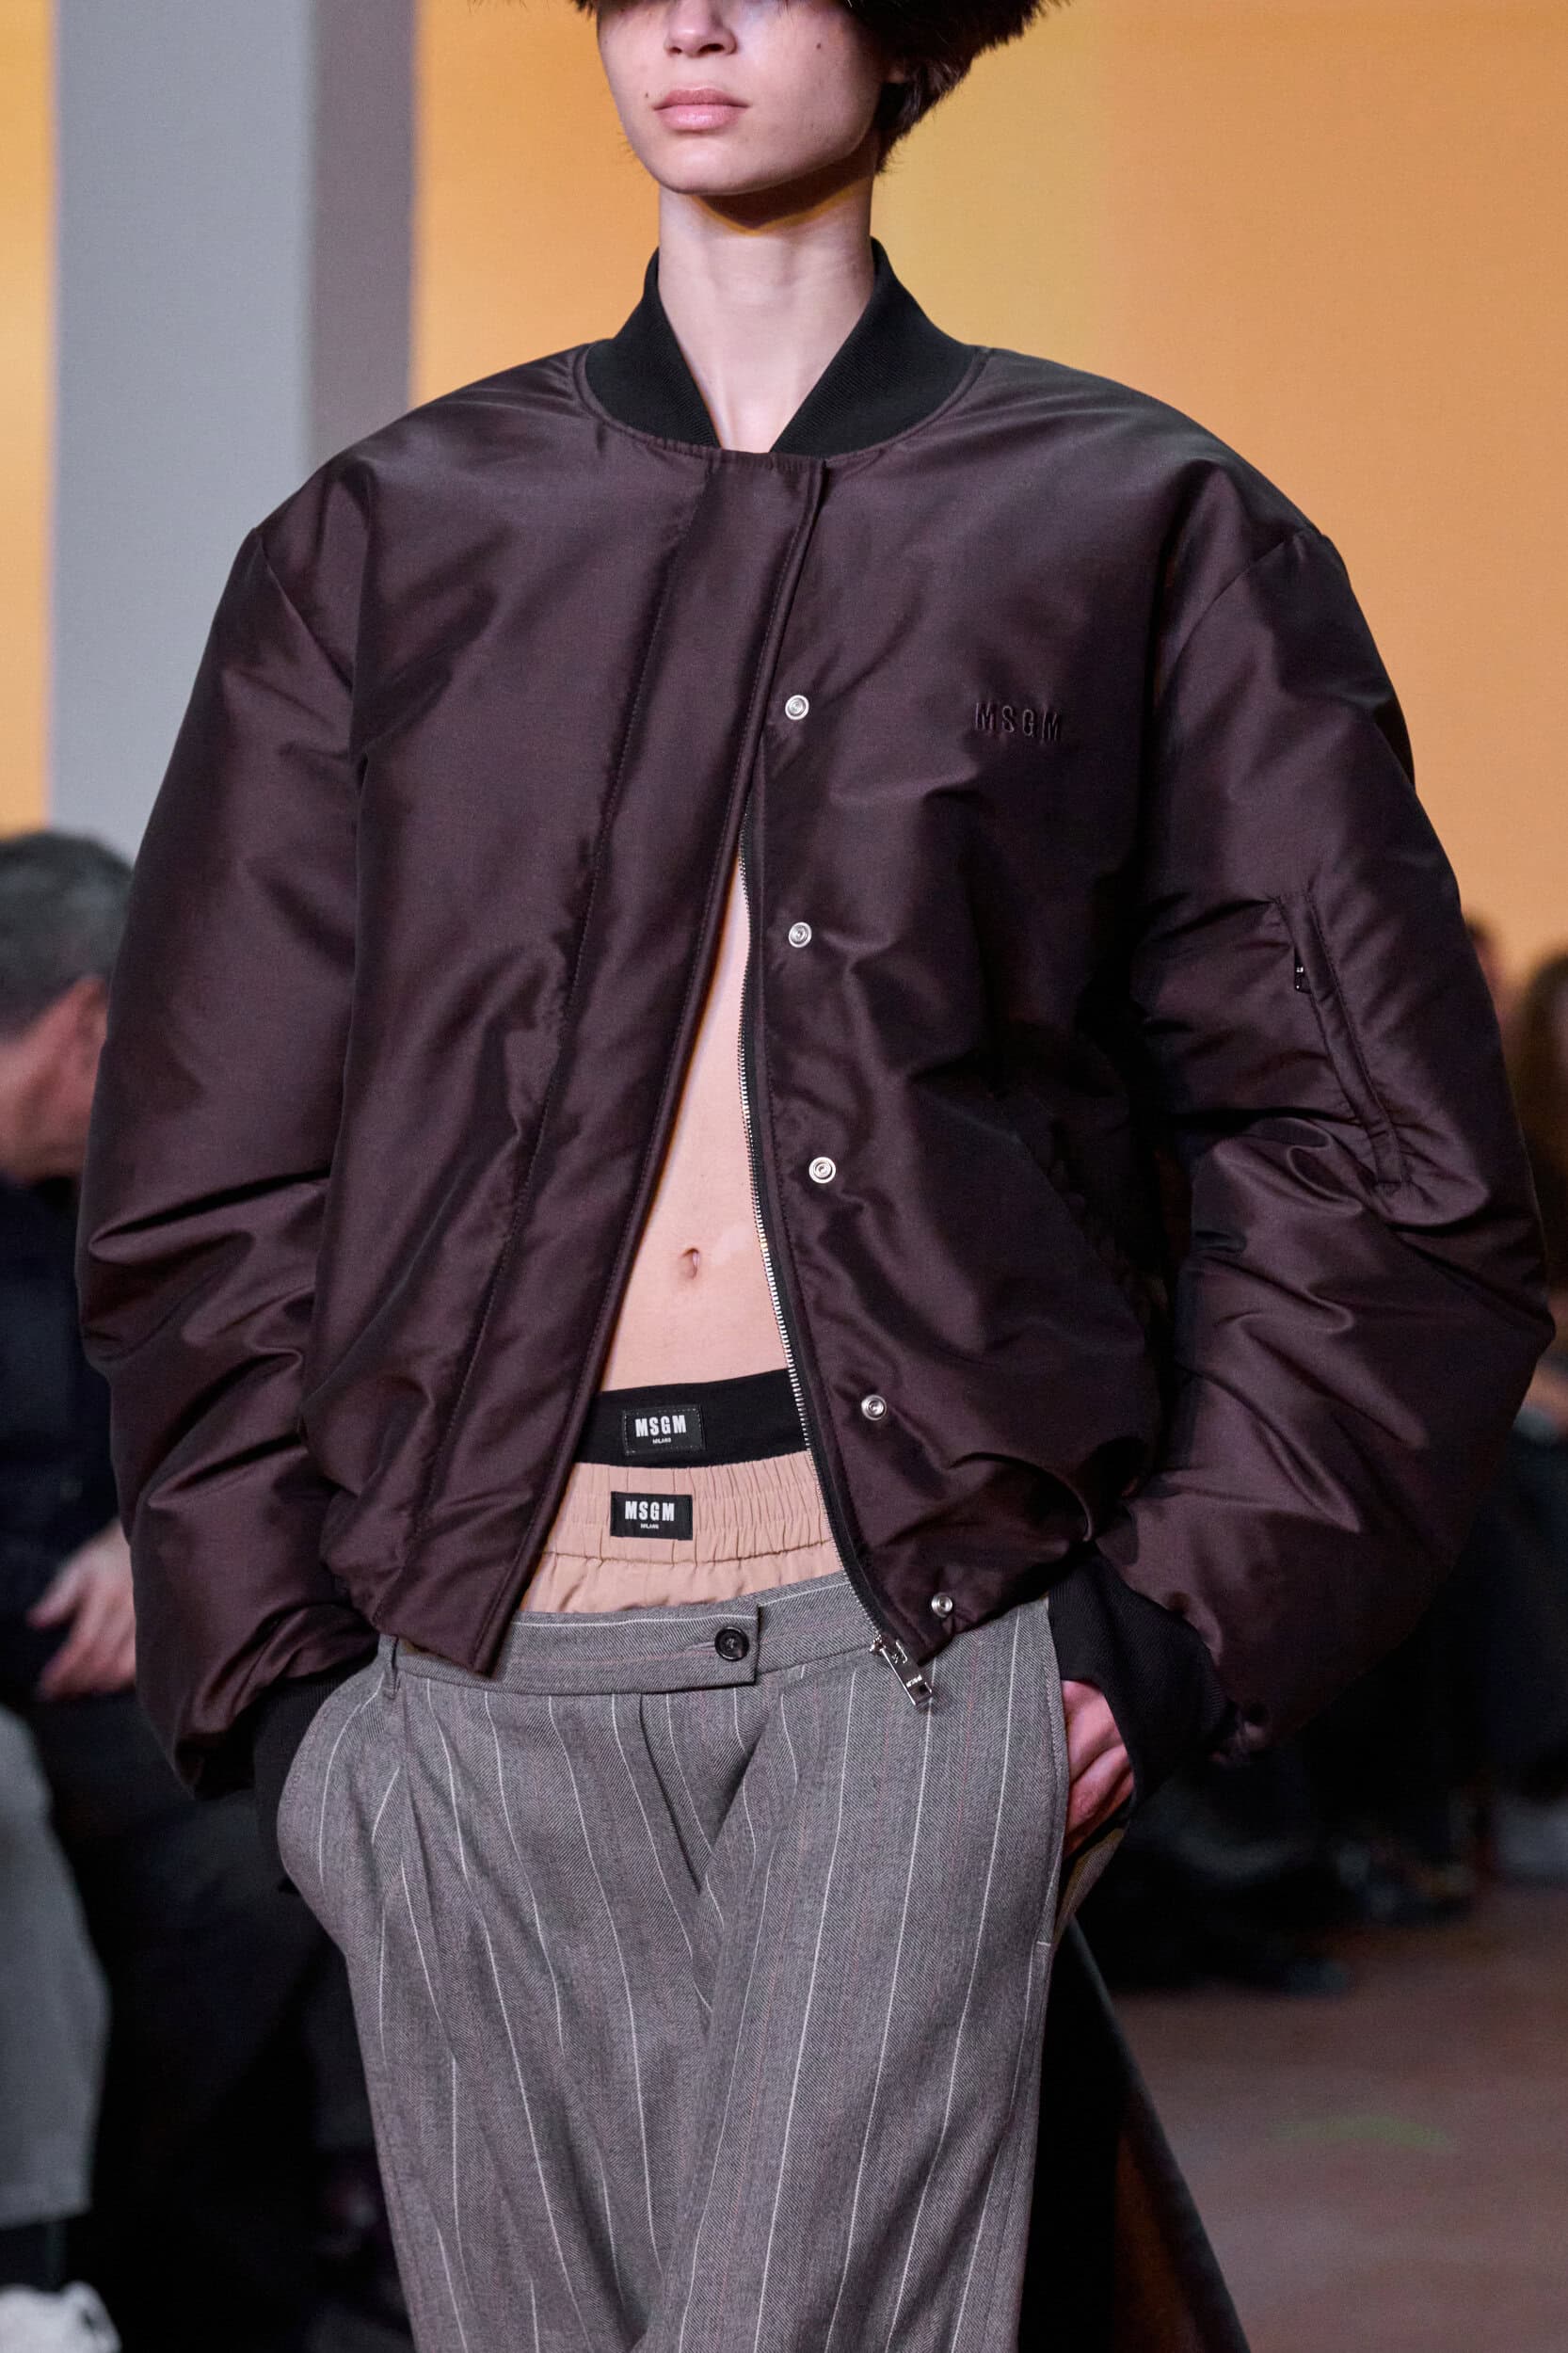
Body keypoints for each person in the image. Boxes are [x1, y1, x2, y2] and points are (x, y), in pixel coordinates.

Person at [77, 5, 1548, 2349]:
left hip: (918, 1655)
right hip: (465, 1662)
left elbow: (1373, 1150)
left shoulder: (1134, 528)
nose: (689, 17)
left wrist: (1160, 1636)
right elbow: (211, 1154)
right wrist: (289, 1703)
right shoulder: (385, 544)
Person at [0, 833, 389, 2353]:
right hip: (44, 1664)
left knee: (321, 1786)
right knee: (245, 1828)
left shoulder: (79, 1211)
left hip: (99, 1659)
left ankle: (331, 2256)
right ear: (92, 1020)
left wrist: (134, 1548)